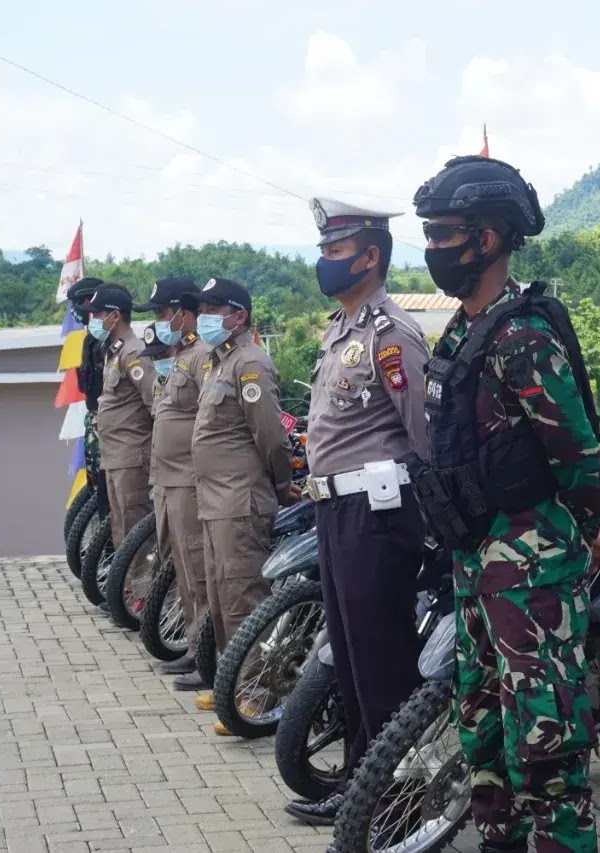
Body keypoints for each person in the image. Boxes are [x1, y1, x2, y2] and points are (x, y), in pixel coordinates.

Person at [409, 155, 600, 853]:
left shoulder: (524, 335)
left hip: (531, 572)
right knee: (486, 731)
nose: (433, 249)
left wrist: (565, 538)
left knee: (545, 746)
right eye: (429, 234)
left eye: (444, 234)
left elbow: (579, 460)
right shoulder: (465, 330)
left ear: (488, 238)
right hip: (476, 560)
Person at [282, 198, 430, 826]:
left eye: (335, 251)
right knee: (351, 658)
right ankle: (361, 782)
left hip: (378, 513)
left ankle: (397, 801)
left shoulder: (392, 335)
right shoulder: (341, 330)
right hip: (337, 513)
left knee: (382, 660)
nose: (325, 262)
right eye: (323, 250)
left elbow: (423, 436)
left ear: (370, 257)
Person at [183, 277, 300, 735]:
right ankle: (232, 683)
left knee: (244, 599)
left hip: (239, 500)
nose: (206, 316)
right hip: (214, 500)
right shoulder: (220, 361)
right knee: (219, 597)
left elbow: (270, 436)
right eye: (204, 308)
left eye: (215, 308)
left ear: (239, 316)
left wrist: (284, 482)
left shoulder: (251, 363)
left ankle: (256, 694)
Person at [135, 276, 214, 690]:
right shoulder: (179, 355)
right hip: (167, 480)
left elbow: (209, 420)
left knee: (199, 570)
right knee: (181, 569)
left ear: (185, 312)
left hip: (189, 480)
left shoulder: (202, 356)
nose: (163, 320)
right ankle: (192, 643)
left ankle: (208, 654)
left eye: (166, 312)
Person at [83, 283, 156, 568]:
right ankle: (128, 592)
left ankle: (143, 595)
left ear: (114, 316)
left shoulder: (134, 352)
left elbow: (155, 404)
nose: (94, 320)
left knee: (136, 528)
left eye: (98, 313)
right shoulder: (113, 351)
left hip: (132, 456)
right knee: (121, 528)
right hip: (114, 456)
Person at [66, 277, 109, 516]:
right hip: (94, 422)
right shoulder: (90, 340)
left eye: (78, 304)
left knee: (110, 496)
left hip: (111, 429)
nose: (76, 311)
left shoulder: (111, 344)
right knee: (97, 488)